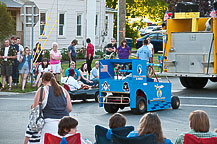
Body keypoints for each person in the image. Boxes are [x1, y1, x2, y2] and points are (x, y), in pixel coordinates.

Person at [32, 72, 72, 143]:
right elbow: (69, 108)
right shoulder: (63, 90)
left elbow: (35, 108)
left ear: (43, 80)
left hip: (49, 122)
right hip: (65, 123)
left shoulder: (42, 90)